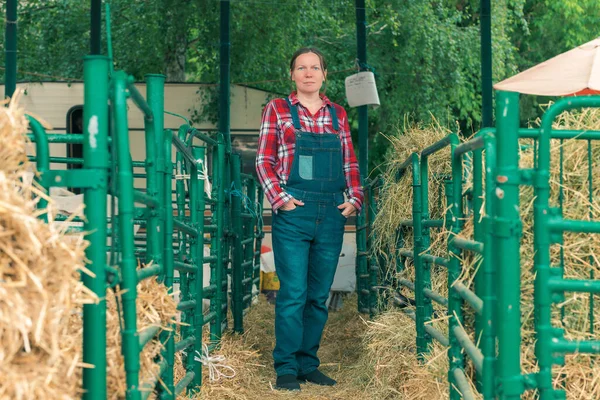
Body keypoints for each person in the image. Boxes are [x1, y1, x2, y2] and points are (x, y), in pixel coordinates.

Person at [255, 47, 364, 391]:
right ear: (292, 75)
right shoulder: (278, 109)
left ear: (324, 74)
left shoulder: (338, 114)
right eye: (301, 67)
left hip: (331, 213)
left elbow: (349, 162)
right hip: (294, 213)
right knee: (294, 293)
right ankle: (286, 367)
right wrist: (282, 200)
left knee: (318, 295)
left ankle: (308, 363)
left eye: (314, 67)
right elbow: (263, 160)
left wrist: (355, 198)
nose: (308, 73)